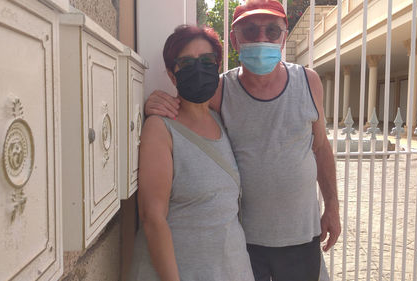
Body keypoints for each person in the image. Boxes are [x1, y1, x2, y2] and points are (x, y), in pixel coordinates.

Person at [145, 1, 341, 280]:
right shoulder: (219, 89)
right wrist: (152, 102)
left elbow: (321, 148)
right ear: (235, 40)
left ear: (284, 36)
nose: (261, 38)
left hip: (302, 237)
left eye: (272, 30)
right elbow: (185, 107)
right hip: (247, 244)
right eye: (250, 31)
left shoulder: (309, 82)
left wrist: (332, 206)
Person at [128, 25, 255, 281]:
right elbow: (153, 218)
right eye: (186, 63)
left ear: (217, 66)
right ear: (172, 75)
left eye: (207, 61)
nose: (199, 69)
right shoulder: (160, 128)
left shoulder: (221, 120)